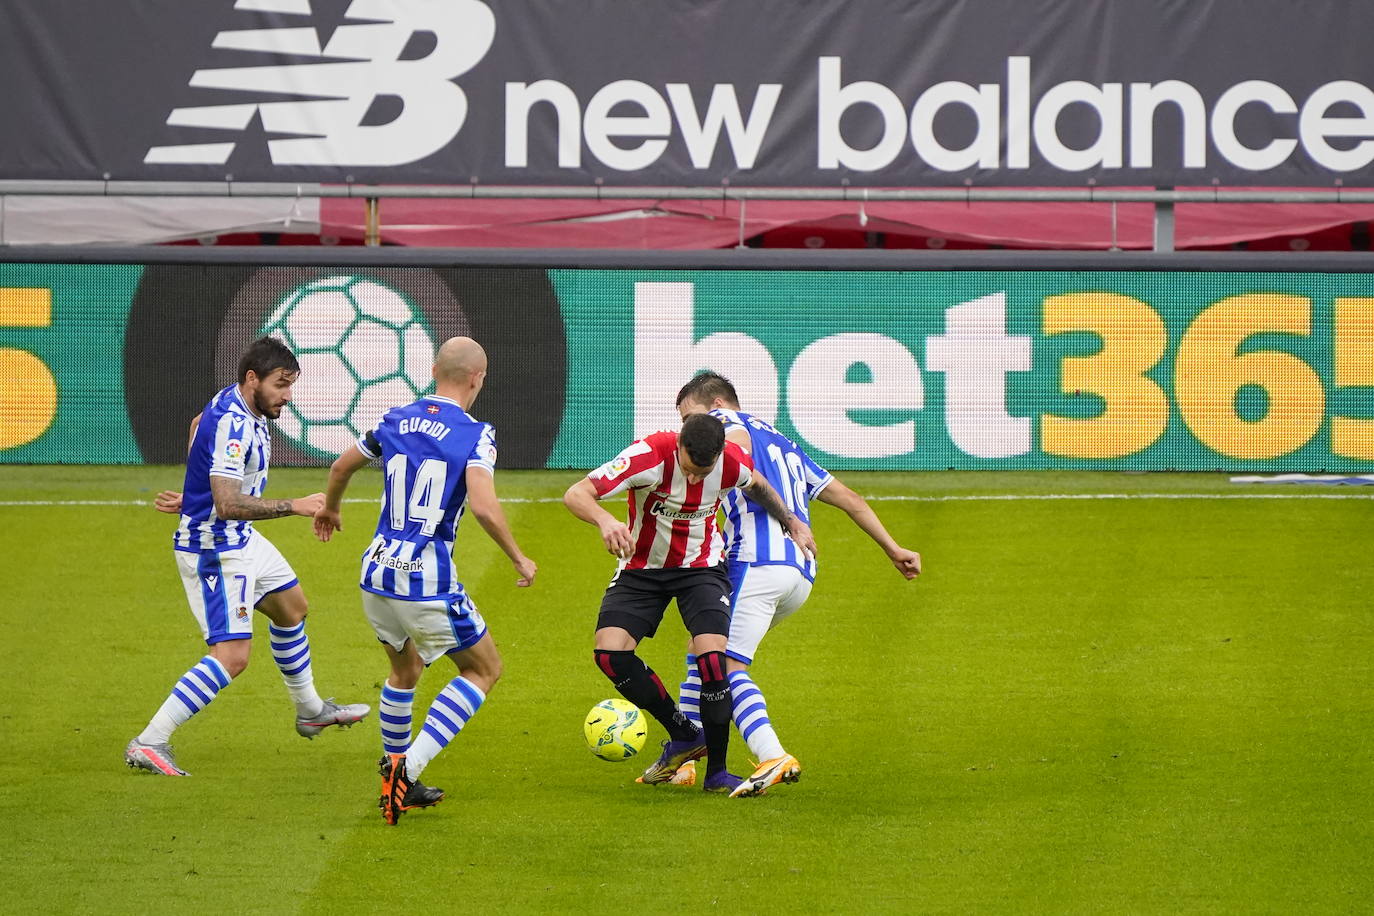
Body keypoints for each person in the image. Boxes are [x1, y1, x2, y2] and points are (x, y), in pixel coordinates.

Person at [313, 336, 537, 826]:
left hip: (376, 572)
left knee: (405, 671)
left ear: (434, 370)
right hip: (425, 579)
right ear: (478, 378)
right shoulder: (476, 434)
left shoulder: (394, 419)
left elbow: (341, 465)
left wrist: (330, 508)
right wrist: (518, 557)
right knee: (483, 670)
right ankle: (404, 770)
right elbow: (483, 506)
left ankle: (397, 779)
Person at [126, 336, 369, 777]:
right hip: (215, 548)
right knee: (233, 657)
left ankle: (311, 710)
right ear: (253, 378)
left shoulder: (235, 400)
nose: (287, 396)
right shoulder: (235, 424)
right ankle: (149, 741)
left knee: (291, 608)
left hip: (241, 537)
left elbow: (198, 424)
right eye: (281, 385)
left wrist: (196, 491)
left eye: (291, 385)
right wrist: (294, 505)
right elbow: (227, 505)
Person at [673, 371, 921, 797]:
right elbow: (849, 498)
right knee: (702, 650)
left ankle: (772, 754)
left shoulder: (725, 425)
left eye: (689, 418)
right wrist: (893, 548)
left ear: (715, 404)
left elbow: (736, 447)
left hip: (756, 562)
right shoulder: (784, 443)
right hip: (800, 573)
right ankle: (684, 757)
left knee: (726, 666)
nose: (688, 432)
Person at [563, 412, 817, 795]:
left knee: (713, 658)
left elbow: (759, 485)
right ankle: (684, 733)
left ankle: (717, 773)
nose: (696, 480)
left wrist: (792, 522)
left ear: (719, 455)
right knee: (610, 655)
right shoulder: (648, 454)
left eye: (705, 472)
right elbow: (576, 493)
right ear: (679, 445)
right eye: (689, 470)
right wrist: (604, 520)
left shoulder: (730, 461)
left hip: (701, 568)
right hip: (642, 568)